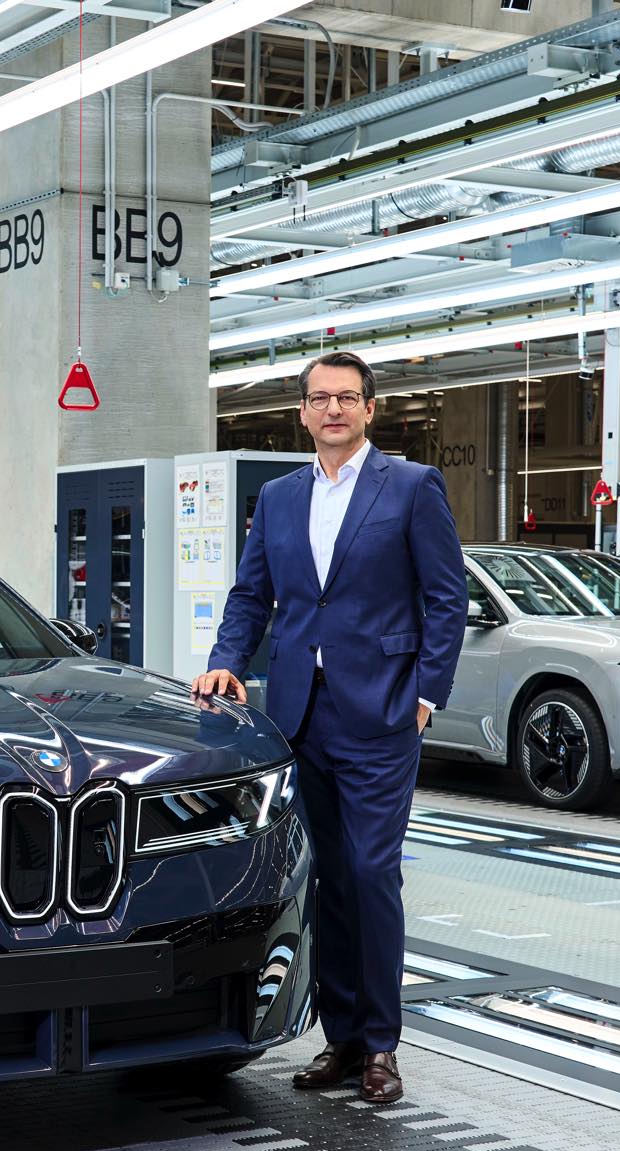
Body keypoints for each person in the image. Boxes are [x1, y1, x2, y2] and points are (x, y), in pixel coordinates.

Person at [191, 351, 466, 1104]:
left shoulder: (411, 486)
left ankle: (381, 1045)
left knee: (373, 873)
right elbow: (252, 595)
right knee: (327, 878)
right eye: (320, 399)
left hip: (382, 711)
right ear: (303, 414)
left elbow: (447, 598)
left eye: (347, 398)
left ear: (370, 409)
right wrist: (224, 662)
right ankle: (340, 1038)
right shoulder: (280, 497)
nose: (333, 410)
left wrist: (426, 695)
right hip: (299, 715)